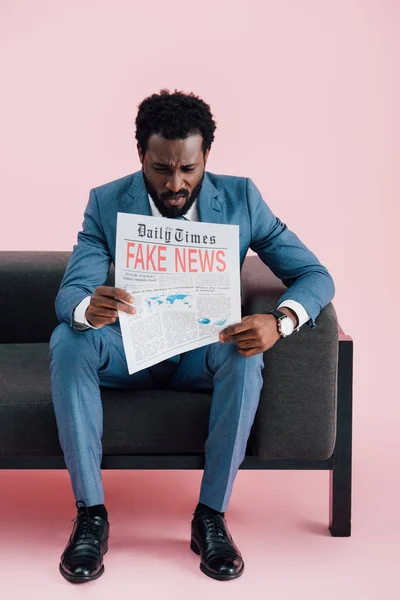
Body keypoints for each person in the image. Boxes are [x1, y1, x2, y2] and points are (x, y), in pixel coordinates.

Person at [49, 89, 335, 583]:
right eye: (161, 169)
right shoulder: (106, 201)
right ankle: (91, 517)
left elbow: (316, 275)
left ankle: (211, 517)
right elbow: (70, 291)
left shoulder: (243, 198)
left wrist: (280, 320)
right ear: (141, 155)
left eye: (188, 168)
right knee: (67, 339)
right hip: (131, 350)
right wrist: (86, 307)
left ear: (206, 157)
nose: (175, 183)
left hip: (204, 351)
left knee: (245, 354)